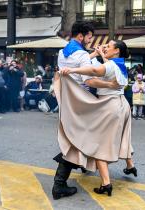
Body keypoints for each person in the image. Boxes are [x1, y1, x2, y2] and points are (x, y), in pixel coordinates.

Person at [52, 21, 120, 200]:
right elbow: (88, 80)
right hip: (82, 100)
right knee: (78, 141)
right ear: (81, 36)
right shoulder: (81, 54)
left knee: (76, 137)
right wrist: (110, 84)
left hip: (68, 101)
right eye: (89, 36)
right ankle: (58, 185)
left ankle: (81, 166)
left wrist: (93, 55)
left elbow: (76, 63)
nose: (91, 39)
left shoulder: (62, 51)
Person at [60, 39, 136, 197]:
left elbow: (95, 71)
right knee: (122, 138)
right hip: (122, 104)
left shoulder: (109, 66)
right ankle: (130, 165)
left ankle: (106, 184)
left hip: (110, 106)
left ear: (116, 51)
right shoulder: (120, 64)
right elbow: (107, 65)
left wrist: (73, 70)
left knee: (99, 144)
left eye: (108, 46)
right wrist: (101, 53)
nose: (105, 47)